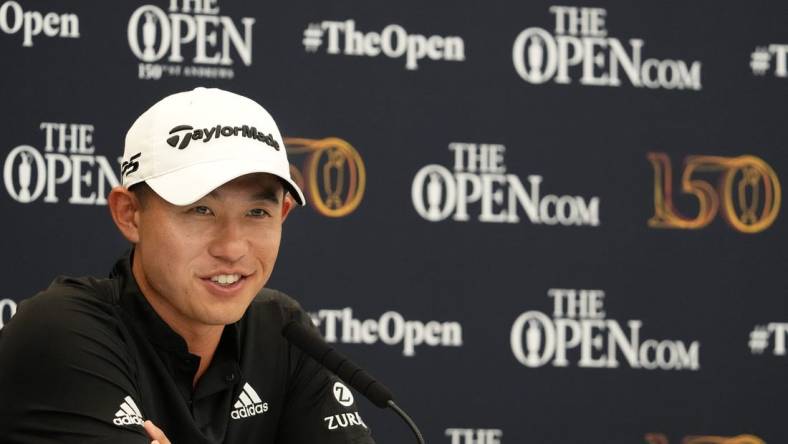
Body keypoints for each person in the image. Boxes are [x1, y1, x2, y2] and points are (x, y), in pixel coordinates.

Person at [0, 87, 376, 444]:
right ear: (130, 214)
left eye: (257, 212)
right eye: (200, 210)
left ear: (283, 215)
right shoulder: (60, 332)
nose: (231, 247)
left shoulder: (281, 330)